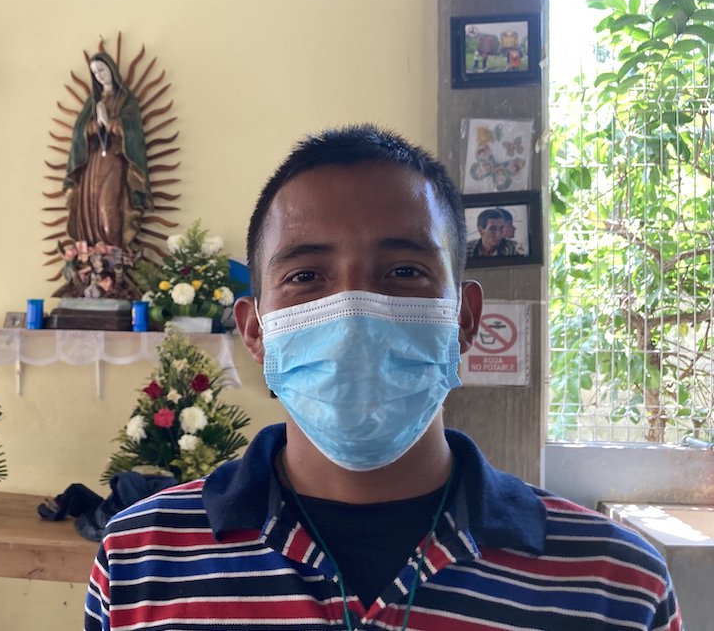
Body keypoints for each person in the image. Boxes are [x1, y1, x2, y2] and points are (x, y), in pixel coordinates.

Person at [84, 124, 681, 631]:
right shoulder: (140, 560)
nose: (353, 315)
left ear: (464, 320)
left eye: (403, 269)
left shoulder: (615, 583)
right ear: (256, 330)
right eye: (306, 277)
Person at [63, 52, 151, 253]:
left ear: (111, 69)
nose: (99, 76)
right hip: (92, 162)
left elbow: (134, 130)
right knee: (90, 207)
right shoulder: (92, 102)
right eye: (95, 73)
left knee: (108, 206)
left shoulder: (125, 99)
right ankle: (94, 257)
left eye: (102, 70)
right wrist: (93, 126)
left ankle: (113, 255)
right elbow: (79, 131)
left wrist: (112, 124)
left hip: (114, 159)